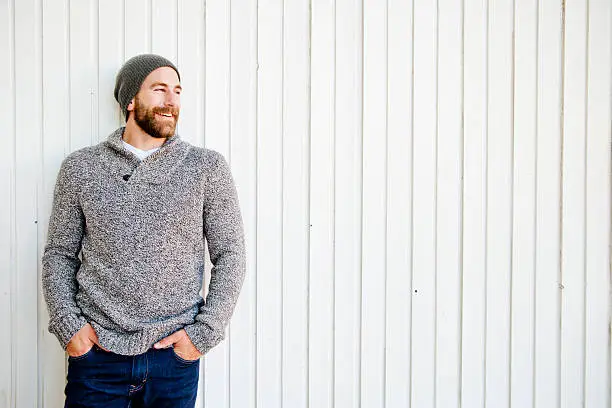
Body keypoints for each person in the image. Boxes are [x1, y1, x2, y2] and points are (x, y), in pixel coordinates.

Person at [42, 54, 246, 407]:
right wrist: (69, 328)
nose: (172, 101)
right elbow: (59, 254)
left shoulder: (206, 168)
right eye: (160, 89)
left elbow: (231, 254)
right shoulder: (80, 168)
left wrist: (202, 334)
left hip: (173, 359)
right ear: (131, 101)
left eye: (178, 91)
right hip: (96, 358)